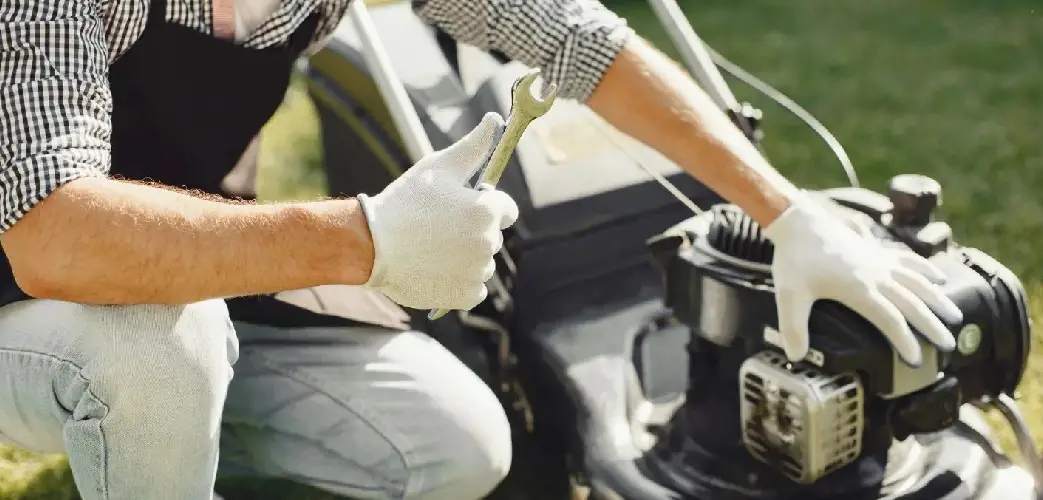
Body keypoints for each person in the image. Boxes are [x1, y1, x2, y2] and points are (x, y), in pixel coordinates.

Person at [0, 0, 964, 498]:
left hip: (188, 283)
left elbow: (573, 38)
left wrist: (787, 212)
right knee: (158, 346)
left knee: (453, 446)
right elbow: (53, 231)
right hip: (22, 303)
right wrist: (364, 238)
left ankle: (168, 438)